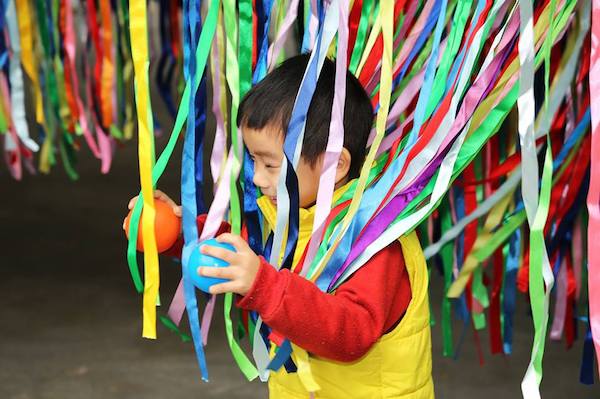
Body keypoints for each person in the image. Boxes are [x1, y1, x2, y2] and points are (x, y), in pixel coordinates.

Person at [126, 54, 434, 398]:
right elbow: (245, 249)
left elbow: (350, 333)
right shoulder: (293, 214)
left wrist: (264, 285)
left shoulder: (374, 241)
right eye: (254, 160)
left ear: (335, 163)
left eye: (270, 164)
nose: (257, 177)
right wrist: (179, 231)